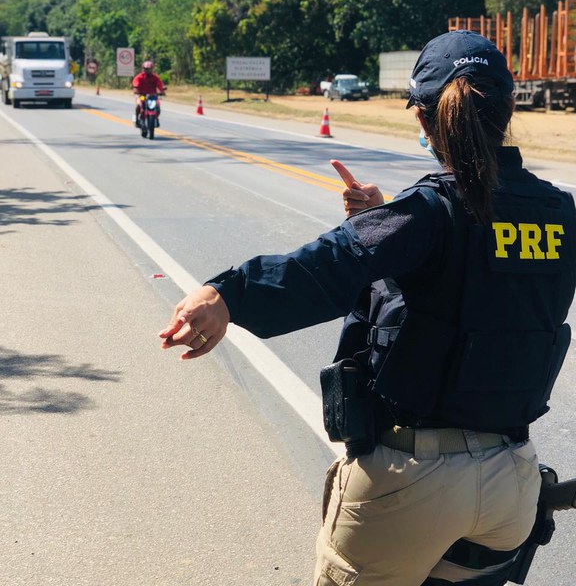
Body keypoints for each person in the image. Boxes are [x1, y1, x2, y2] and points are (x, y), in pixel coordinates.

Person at [159, 30, 576, 586]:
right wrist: (382, 216)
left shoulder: (428, 213)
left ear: (427, 121)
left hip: (411, 485)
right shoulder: (559, 213)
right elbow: (474, 278)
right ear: (509, 109)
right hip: (511, 488)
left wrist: (227, 294)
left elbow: (326, 268)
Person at [132, 60, 165, 126]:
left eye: (149, 69)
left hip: (152, 96)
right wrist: (136, 90)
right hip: (142, 95)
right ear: (143, 69)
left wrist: (162, 91)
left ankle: (156, 118)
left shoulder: (155, 77)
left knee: (157, 106)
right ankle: (136, 117)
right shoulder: (139, 77)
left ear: (152, 69)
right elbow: (136, 85)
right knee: (139, 105)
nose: (147, 70)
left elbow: (160, 85)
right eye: (146, 69)